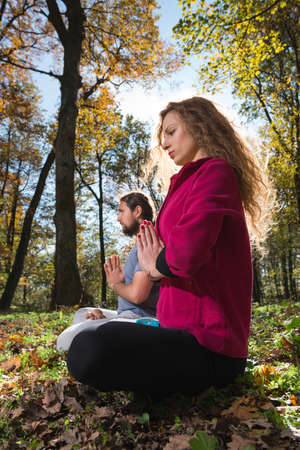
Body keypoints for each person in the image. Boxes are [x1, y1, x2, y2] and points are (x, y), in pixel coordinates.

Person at [66, 97, 274, 395]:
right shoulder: (182, 184)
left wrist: (155, 266)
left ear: (199, 127)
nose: (163, 143)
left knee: (90, 346)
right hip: (173, 330)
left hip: (211, 345)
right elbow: (162, 260)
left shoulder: (216, 172)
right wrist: (154, 267)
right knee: (87, 342)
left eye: (171, 131)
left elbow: (185, 255)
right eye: (162, 135)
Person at [57, 192, 160, 351]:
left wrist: (115, 284)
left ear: (137, 211)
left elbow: (137, 295)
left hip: (140, 319)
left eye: (121, 211)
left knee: (64, 340)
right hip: (127, 314)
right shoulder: (141, 241)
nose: (118, 218)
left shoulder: (146, 241)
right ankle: (104, 324)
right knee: (83, 313)